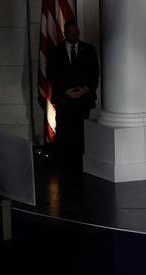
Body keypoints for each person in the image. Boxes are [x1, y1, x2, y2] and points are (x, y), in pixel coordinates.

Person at [46, 19, 99, 168]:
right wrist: (65, 92)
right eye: (71, 33)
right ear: (65, 33)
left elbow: (94, 73)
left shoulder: (88, 50)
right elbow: (52, 75)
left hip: (83, 100)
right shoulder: (55, 52)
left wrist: (86, 89)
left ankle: (81, 164)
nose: (75, 36)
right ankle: (64, 165)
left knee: (81, 133)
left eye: (77, 33)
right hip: (64, 100)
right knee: (64, 133)